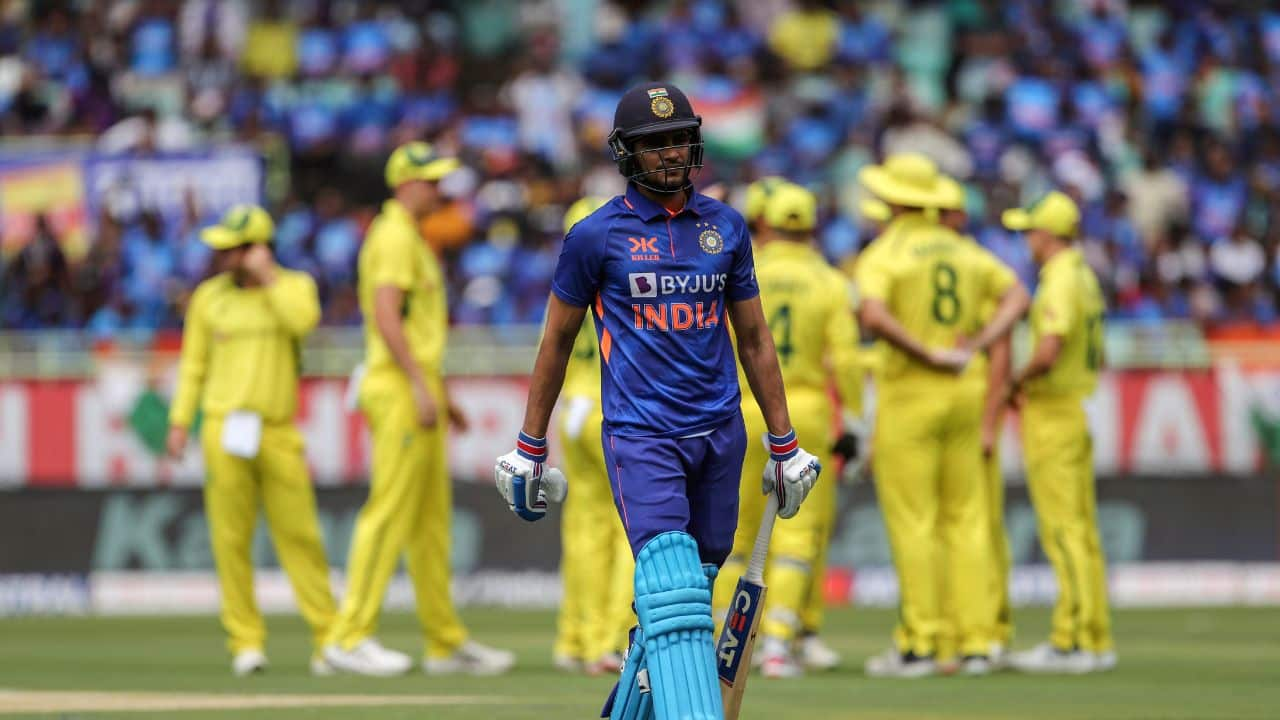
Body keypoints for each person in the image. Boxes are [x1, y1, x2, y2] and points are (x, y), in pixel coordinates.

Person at [493, 82, 821, 720]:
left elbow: (754, 339)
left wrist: (785, 443)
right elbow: (556, 341)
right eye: (653, 143)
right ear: (625, 153)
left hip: (721, 432)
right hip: (641, 434)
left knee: (689, 594)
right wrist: (529, 445)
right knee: (670, 582)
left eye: (678, 139)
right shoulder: (594, 236)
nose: (670, 153)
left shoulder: (725, 228)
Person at [324, 142, 515, 677]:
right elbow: (386, 316)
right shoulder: (392, 237)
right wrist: (418, 385)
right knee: (389, 512)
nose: (439, 190)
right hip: (399, 388)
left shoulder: (411, 237)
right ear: (404, 184)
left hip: (417, 386)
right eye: (430, 181)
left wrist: (441, 394)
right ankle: (349, 636)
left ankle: (443, 641)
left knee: (431, 524)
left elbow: (412, 326)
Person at [854, 153, 1029, 678]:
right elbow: (1018, 297)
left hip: (910, 394)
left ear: (892, 199)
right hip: (966, 392)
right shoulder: (965, 250)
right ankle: (977, 643)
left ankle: (922, 644)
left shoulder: (885, 253)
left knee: (915, 524)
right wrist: (975, 343)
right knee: (969, 521)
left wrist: (924, 352)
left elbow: (872, 313)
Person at [167, 204, 336, 677]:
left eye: (234, 249)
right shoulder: (207, 299)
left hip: (277, 428)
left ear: (258, 249)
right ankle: (245, 641)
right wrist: (181, 422)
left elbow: (303, 322)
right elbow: (193, 365)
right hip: (224, 428)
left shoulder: (294, 287)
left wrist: (268, 280)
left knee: (301, 537)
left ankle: (328, 639)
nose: (223, 256)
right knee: (230, 539)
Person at [713, 182, 865, 678]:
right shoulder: (829, 281)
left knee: (733, 536)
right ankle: (778, 644)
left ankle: (725, 641)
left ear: (765, 222)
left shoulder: (741, 265)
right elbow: (844, 358)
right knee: (796, 538)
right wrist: (858, 419)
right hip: (803, 409)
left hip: (741, 404)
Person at [1001, 191, 1116, 674]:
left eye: (1030, 230)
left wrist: (1015, 381)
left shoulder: (1061, 278)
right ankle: (1094, 635)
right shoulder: (1086, 277)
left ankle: (1072, 641)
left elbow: (1049, 347)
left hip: (1051, 413)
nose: (1026, 239)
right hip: (1073, 408)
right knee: (1082, 531)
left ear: (1047, 235)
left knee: (1063, 531)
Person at [935, 177, 1017, 668]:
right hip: (965, 407)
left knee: (975, 526)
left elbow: (1001, 352)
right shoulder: (971, 266)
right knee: (966, 526)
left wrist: (990, 419)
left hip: (973, 407)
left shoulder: (974, 270)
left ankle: (986, 633)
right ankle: (975, 632)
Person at [552, 196, 635, 676]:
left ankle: (576, 638)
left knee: (583, 532)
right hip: (609, 403)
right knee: (632, 528)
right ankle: (609, 642)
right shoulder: (617, 273)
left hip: (574, 407)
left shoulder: (565, 277)